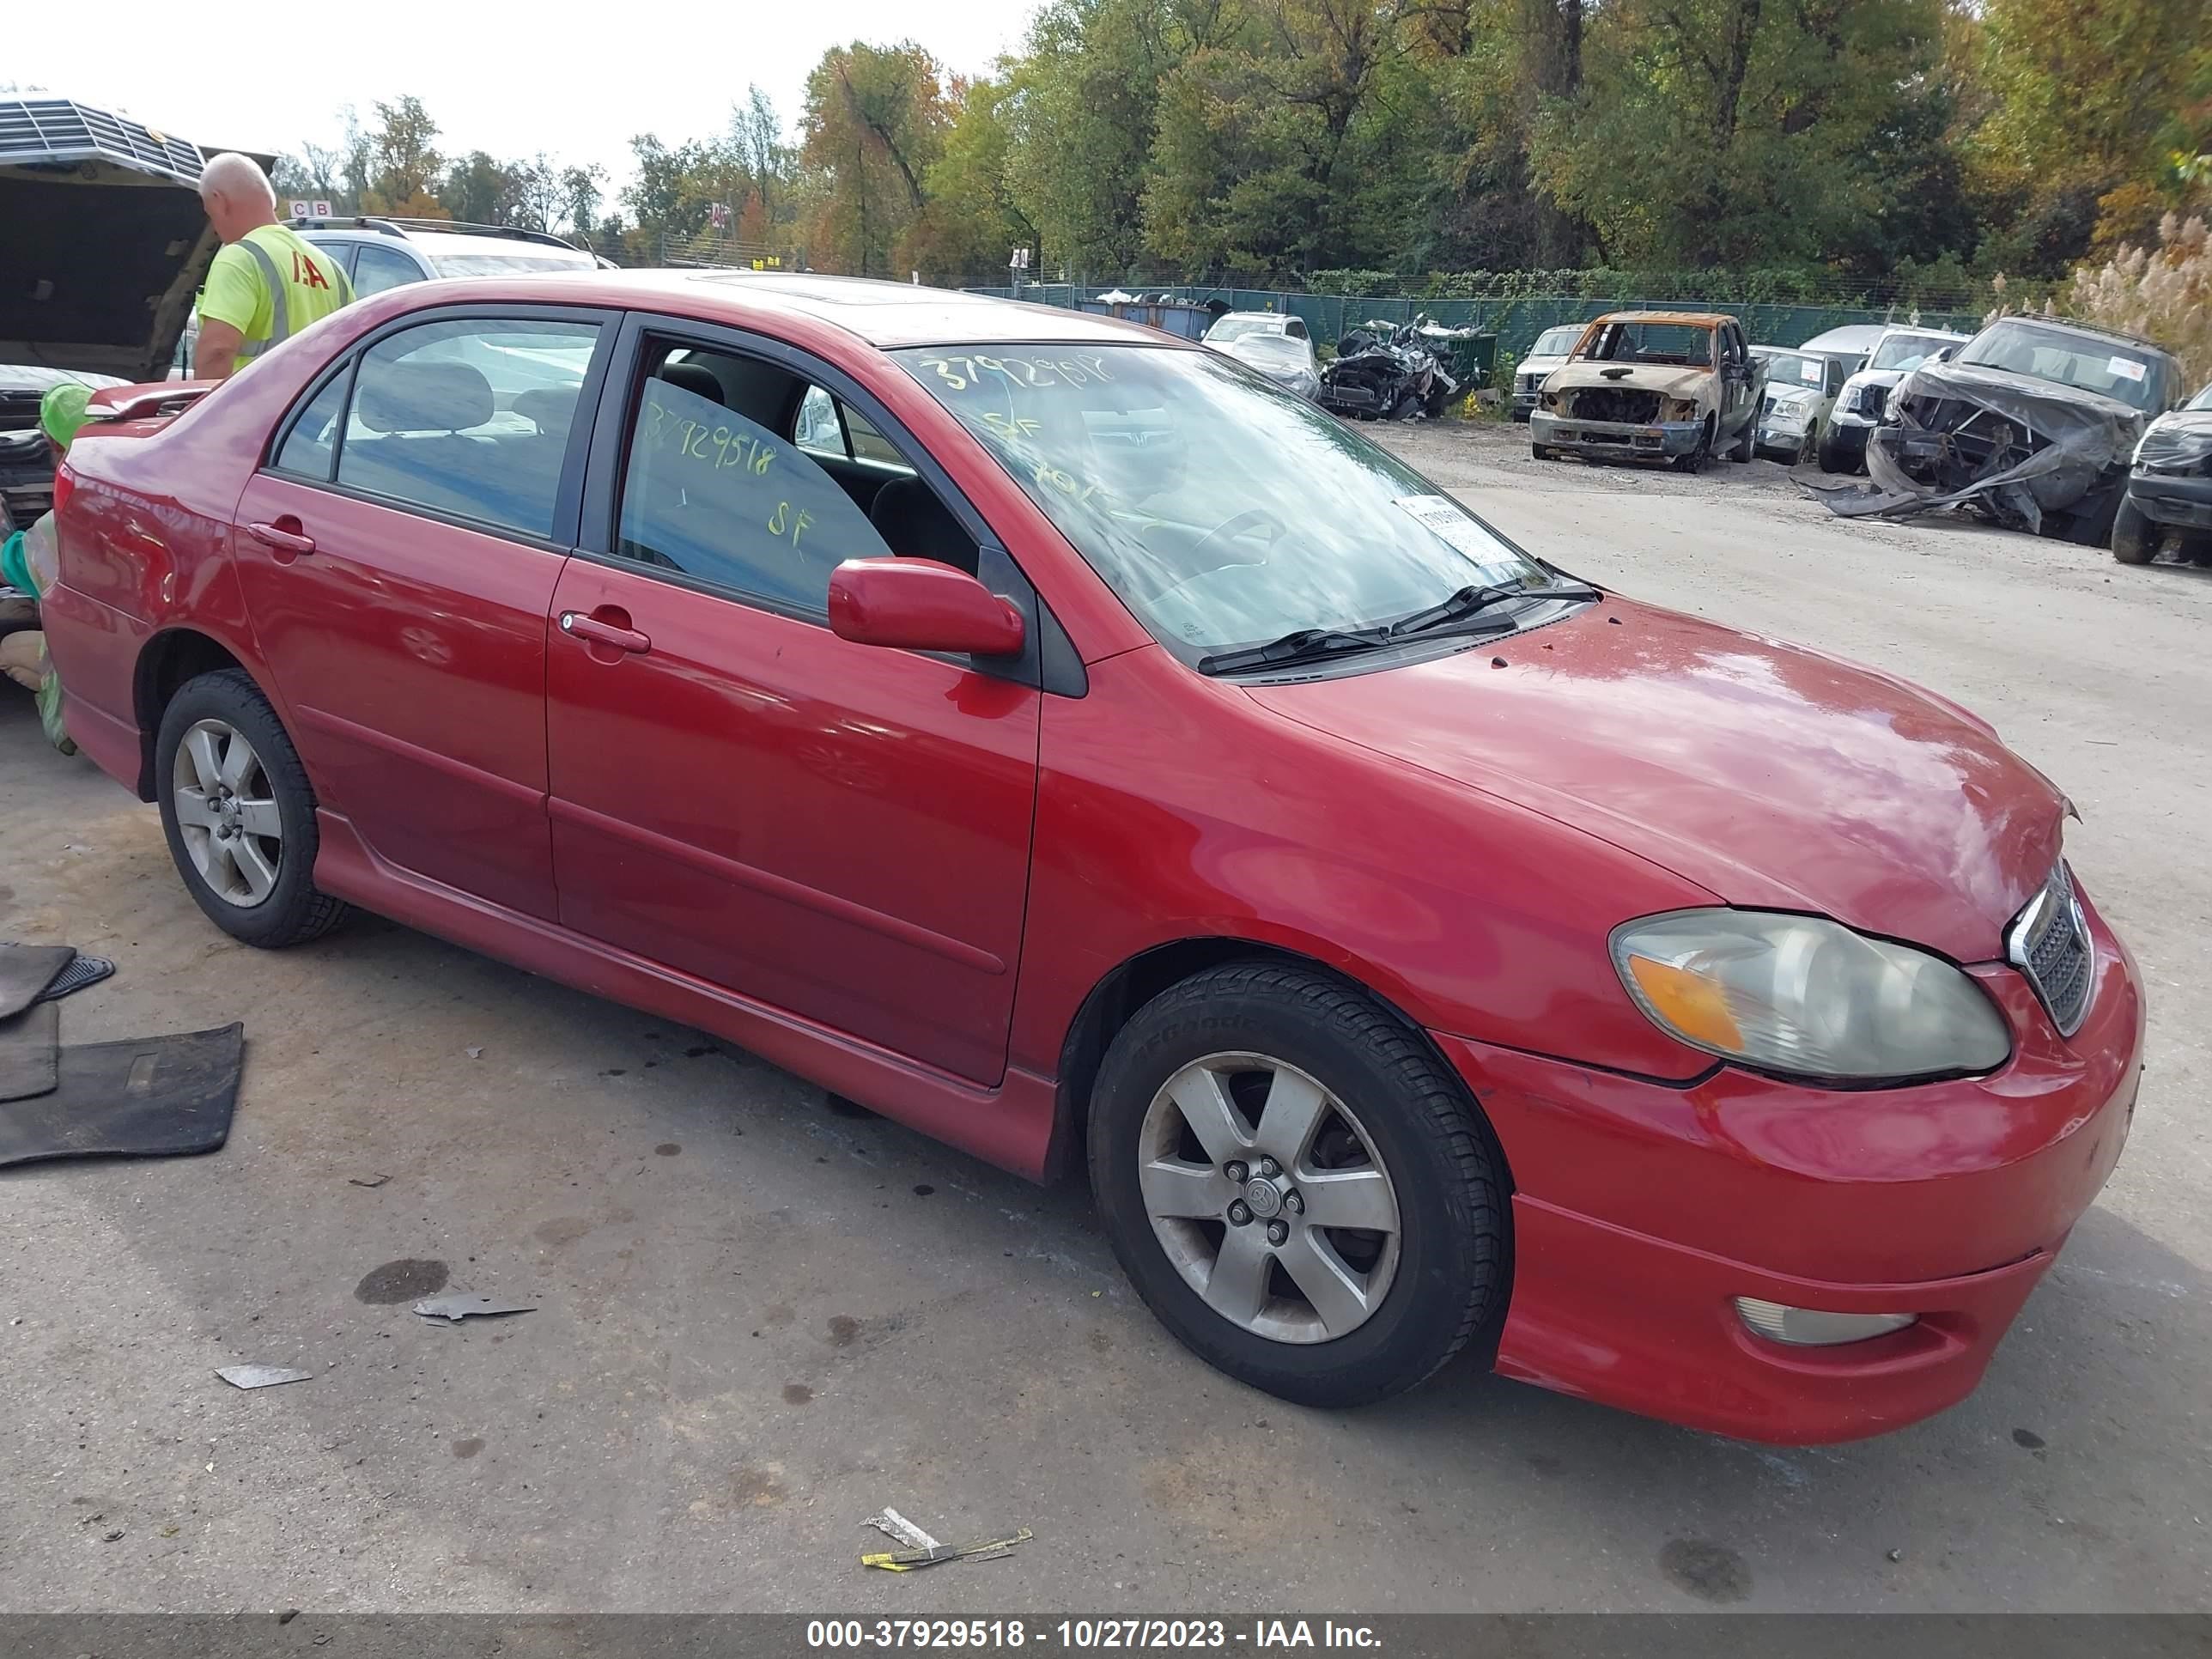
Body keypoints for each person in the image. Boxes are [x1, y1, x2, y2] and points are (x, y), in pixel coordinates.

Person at [191, 152, 353, 380]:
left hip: (253, 411)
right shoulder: (333, 270)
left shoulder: (240, 257)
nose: (215, 229)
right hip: (312, 413)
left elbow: (216, 352)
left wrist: (202, 414)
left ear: (220, 201)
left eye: (210, 214)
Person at [0, 382, 98, 752]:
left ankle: (74, 720)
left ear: (55, 446)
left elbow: (9, 566)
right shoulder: (132, 496)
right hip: (137, 642)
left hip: (93, 651)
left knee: (8, 649)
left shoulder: (56, 524)